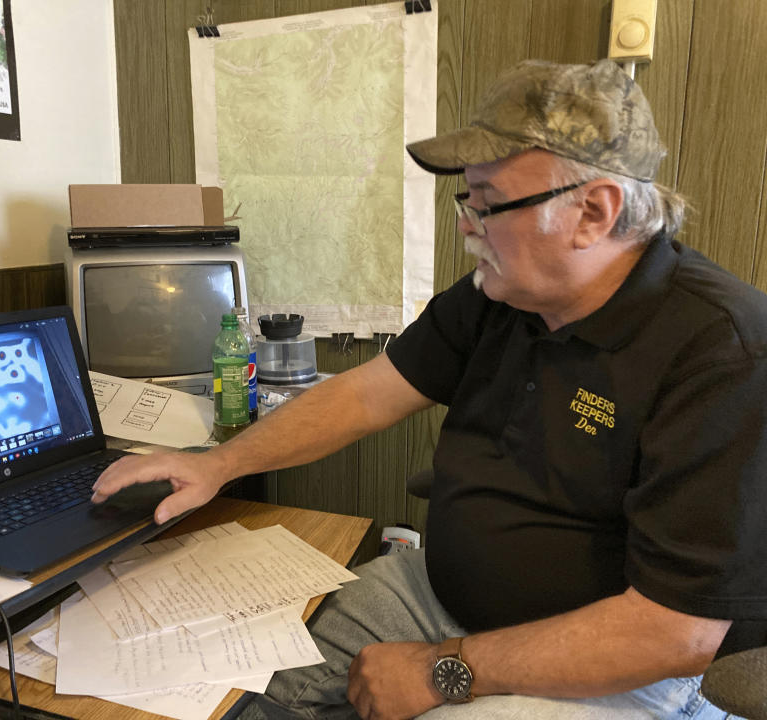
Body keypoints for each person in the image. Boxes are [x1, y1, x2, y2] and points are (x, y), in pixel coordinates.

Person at [91, 59, 767, 719]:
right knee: (242, 680)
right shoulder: (498, 294)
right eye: (465, 198)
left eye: (491, 204)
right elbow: (365, 395)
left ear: (594, 211)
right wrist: (218, 465)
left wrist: (446, 670)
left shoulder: (723, 351)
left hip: (619, 668)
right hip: (435, 594)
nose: (467, 224)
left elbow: (674, 634)